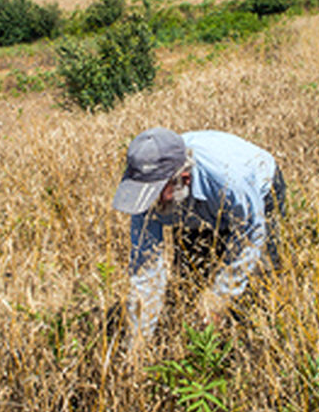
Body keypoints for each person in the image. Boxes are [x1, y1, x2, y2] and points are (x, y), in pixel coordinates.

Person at [112, 127, 286, 344]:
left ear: (182, 179)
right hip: (197, 207)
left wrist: (218, 299)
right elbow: (146, 271)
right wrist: (137, 342)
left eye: (155, 193)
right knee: (190, 282)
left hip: (255, 192)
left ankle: (251, 346)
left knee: (257, 281)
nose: (150, 203)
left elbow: (250, 237)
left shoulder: (230, 179)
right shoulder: (142, 186)